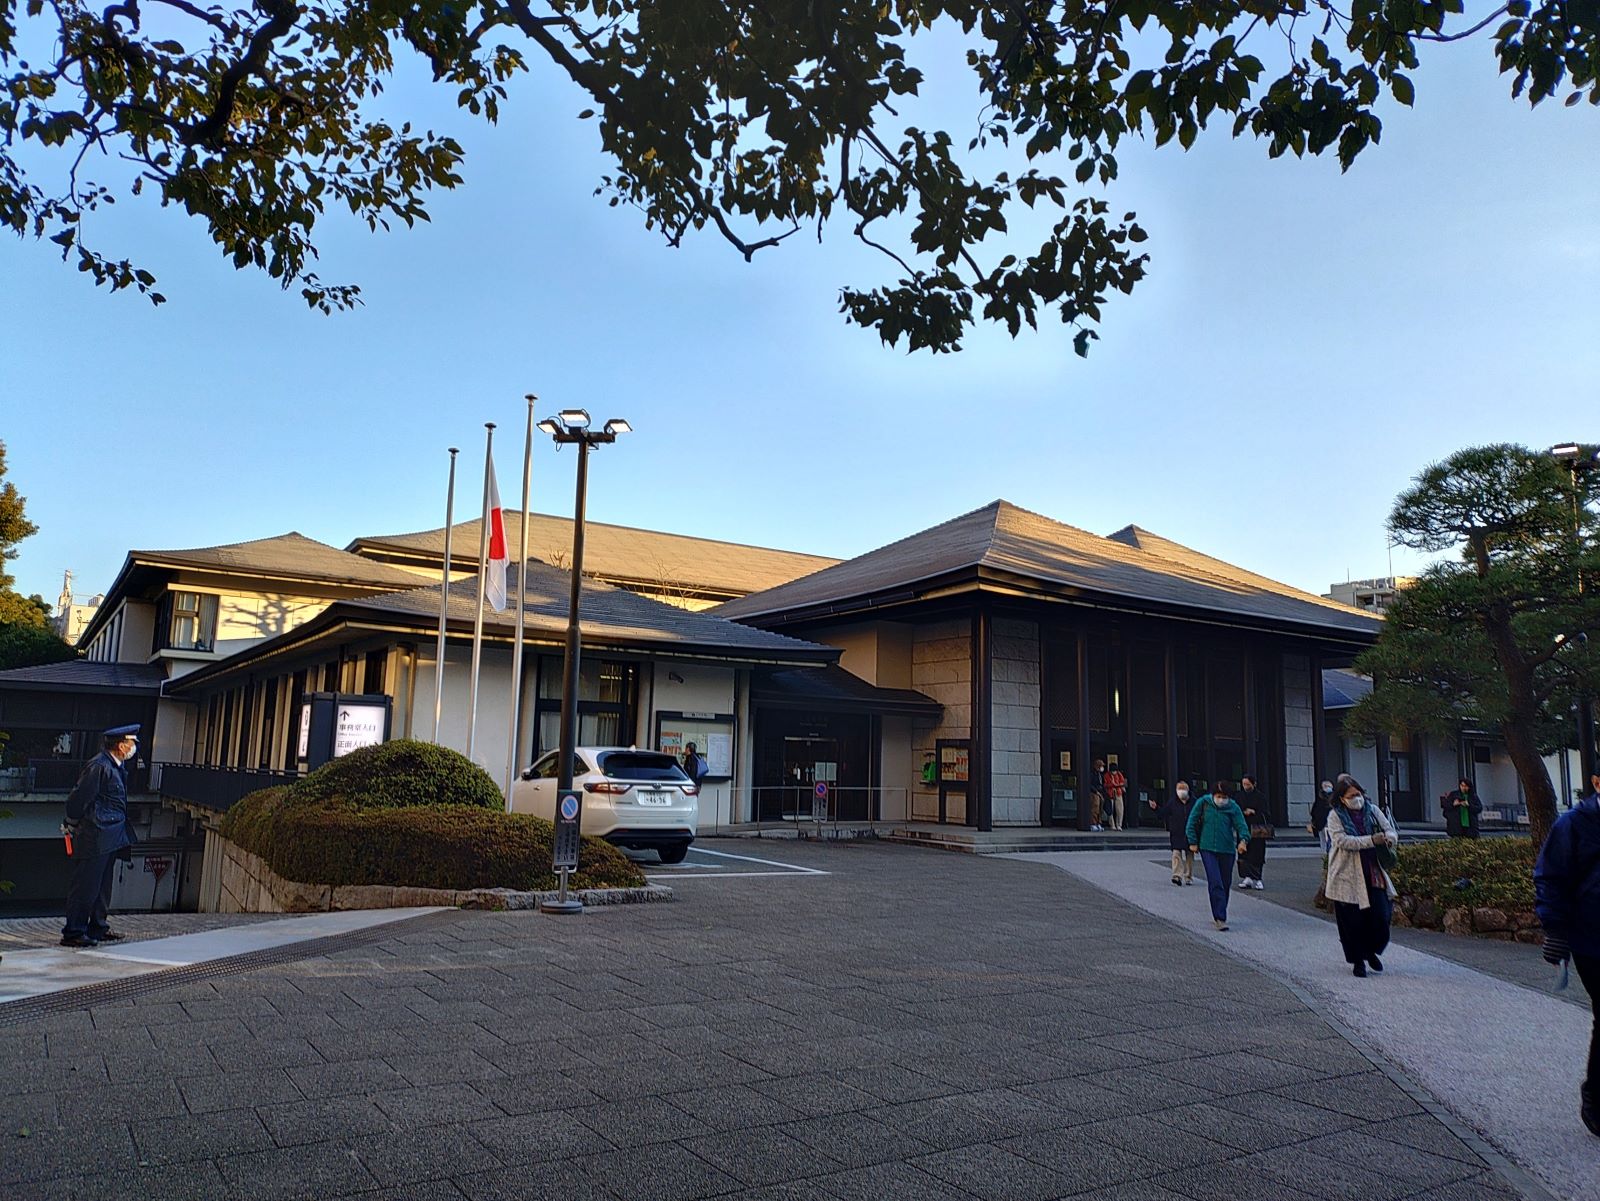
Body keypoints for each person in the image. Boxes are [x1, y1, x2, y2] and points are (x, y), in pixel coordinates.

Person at [1533, 773, 1600, 1138]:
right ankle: (1596, 1097)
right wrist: (1555, 930)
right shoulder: (1574, 823)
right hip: (1592, 936)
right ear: (1596, 782)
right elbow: (1550, 876)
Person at [60, 724, 140, 948]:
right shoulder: (100, 766)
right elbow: (79, 798)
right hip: (96, 834)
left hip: (109, 834)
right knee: (86, 885)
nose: (133, 747)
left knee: (102, 885)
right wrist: (73, 822)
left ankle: (97, 927)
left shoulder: (114, 766)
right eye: (131, 743)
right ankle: (74, 931)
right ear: (121, 745)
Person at [1324, 773, 1398, 978]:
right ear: (1342, 798)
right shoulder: (1335, 816)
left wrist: (1389, 839)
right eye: (1351, 796)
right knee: (1352, 922)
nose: (1357, 799)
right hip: (1347, 873)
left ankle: (1372, 950)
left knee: (1381, 917)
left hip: (1373, 871)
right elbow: (1342, 841)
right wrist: (1372, 840)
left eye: (1358, 794)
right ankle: (1358, 960)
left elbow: (1390, 829)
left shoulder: (1372, 810)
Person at [1186, 779, 1250, 930]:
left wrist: (1243, 841)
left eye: (1224, 797)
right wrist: (1192, 841)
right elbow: (1191, 822)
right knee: (1215, 881)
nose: (1221, 799)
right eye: (1218, 796)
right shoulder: (1203, 803)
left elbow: (1241, 825)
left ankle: (1221, 907)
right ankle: (1220, 917)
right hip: (1207, 848)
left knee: (1225, 882)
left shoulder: (1233, 807)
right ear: (1213, 795)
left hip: (1227, 849)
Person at [1150, 781, 1196, 885]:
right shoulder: (1173, 802)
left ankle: (1188, 876)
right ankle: (1177, 875)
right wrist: (1156, 808)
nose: (1181, 792)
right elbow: (1164, 812)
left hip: (1190, 832)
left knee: (1189, 854)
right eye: (1179, 789)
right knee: (1176, 853)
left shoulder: (1194, 802)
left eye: (1183, 789)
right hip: (1176, 832)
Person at [1236, 773, 1272, 890]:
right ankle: (1247, 877)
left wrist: (1254, 812)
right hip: (1243, 826)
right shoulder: (1239, 796)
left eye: (1248, 784)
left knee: (1257, 854)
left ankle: (1258, 878)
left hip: (1257, 828)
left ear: (1253, 784)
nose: (1245, 786)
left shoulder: (1260, 797)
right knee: (1244, 852)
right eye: (1244, 784)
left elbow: (1266, 813)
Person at [1103, 760, 1127, 831]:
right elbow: (1105, 784)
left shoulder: (1119, 774)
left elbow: (1122, 782)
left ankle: (1119, 824)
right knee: (1110, 809)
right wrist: (1112, 784)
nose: (1114, 772)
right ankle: (1112, 824)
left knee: (1120, 809)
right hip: (1110, 793)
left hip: (1118, 793)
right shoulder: (1106, 775)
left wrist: (1118, 785)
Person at [1087, 758, 1107, 832]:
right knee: (1095, 808)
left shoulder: (1100, 775)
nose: (1102, 768)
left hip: (1100, 792)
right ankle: (1093, 823)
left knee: (1100, 809)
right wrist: (1095, 791)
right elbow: (1090, 784)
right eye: (1101, 766)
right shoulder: (1092, 774)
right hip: (1094, 793)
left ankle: (1099, 823)